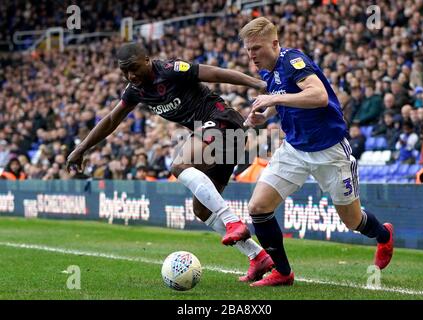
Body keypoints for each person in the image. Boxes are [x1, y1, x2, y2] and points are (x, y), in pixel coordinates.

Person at [66, 42, 273, 282]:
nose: (130, 75)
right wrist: (81, 148)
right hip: (216, 140)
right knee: (202, 209)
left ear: (147, 60)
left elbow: (215, 73)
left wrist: (257, 84)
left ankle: (232, 221)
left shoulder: (170, 69)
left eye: (134, 68)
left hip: (223, 120)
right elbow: (112, 119)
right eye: (125, 71)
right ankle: (258, 257)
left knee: (179, 165)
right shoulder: (135, 90)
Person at [240, 17, 394, 287]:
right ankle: (283, 272)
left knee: (353, 220)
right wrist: (267, 114)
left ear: (275, 44)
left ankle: (383, 235)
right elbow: (284, 95)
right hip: (294, 148)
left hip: (330, 150)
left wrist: (274, 99)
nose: (252, 55)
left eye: (257, 48)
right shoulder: (267, 70)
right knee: (258, 207)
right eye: (248, 49)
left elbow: (318, 96)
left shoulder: (293, 61)